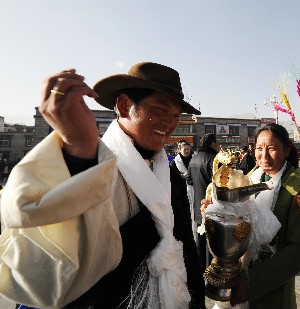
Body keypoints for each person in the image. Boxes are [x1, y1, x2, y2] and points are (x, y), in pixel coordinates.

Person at [0, 62, 205, 308]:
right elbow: (50, 261)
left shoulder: (169, 176)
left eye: (175, 116)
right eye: (160, 110)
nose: (169, 123)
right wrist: (80, 153)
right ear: (124, 106)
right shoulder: (92, 168)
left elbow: (184, 244)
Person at [207, 123, 300, 308]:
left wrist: (249, 284)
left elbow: (299, 250)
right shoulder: (248, 179)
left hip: (272, 291)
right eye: (259, 148)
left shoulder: (297, 189)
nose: (264, 156)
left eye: (271, 148)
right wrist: (215, 212)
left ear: (286, 150)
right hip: (236, 276)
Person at [187, 133, 217, 269]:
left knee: (200, 238)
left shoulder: (193, 159)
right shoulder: (214, 159)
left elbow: (189, 180)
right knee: (212, 242)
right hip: (213, 206)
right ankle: (210, 271)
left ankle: (199, 269)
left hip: (198, 205)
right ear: (212, 143)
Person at [170, 139, 196, 239]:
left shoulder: (195, 159)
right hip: (182, 193)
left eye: (188, 149)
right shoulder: (174, 163)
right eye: (185, 149)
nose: (187, 151)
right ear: (179, 150)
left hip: (196, 190)